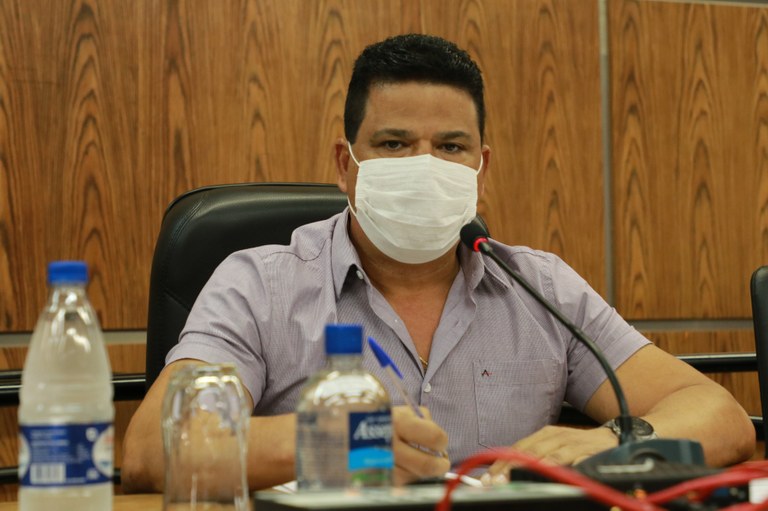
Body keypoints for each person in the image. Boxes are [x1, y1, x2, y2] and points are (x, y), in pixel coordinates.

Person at [122, 33, 755, 492]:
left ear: (482, 168)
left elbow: (718, 416)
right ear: (346, 164)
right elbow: (155, 447)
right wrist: (341, 443)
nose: (424, 165)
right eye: (394, 143)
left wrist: (608, 443)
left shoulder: (539, 286)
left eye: (451, 147)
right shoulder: (260, 283)